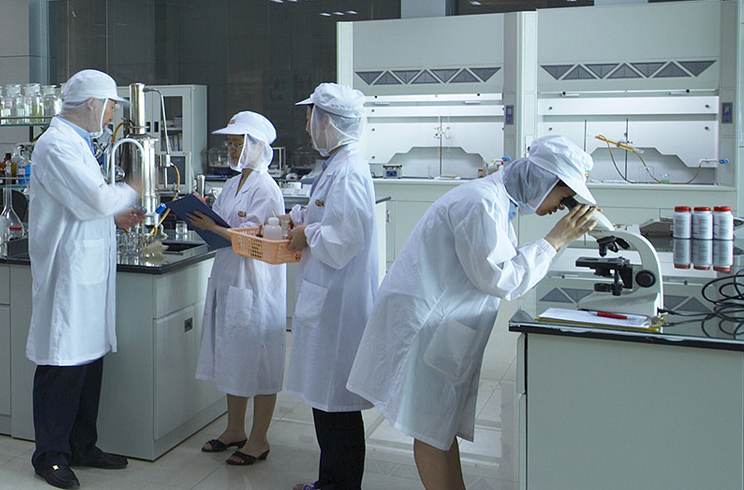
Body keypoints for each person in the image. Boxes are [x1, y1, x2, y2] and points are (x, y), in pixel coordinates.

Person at [348, 135, 600, 490]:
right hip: (427, 324)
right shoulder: (480, 202)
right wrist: (554, 240)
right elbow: (500, 279)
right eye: (564, 197)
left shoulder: (496, 201)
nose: (562, 207)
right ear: (544, 181)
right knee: (430, 429)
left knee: (440, 426)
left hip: (442, 322)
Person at [25, 69, 147, 490]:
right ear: (93, 103)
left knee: (89, 363)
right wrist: (133, 187)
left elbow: (82, 206)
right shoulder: (55, 145)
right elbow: (93, 198)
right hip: (68, 274)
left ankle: (82, 445)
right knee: (62, 363)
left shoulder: (78, 143)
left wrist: (113, 218)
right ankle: (50, 455)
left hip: (87, 271)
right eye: (111, 106)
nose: (112, 115)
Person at [285, 83, 381, 490]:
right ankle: (330, 482)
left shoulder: (348, 171)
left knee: (337, 407)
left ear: (329, 123)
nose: (308, 127)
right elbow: (330, 218)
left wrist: (306, 233)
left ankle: (339, 485)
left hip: (339, 305)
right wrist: (301, 219)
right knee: (327, 404)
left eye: (311, 119)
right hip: (328, 299)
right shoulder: (338, 166)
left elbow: (345, 239)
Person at [181, 111, 287, 467]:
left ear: (258, 146)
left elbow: (259, 241)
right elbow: (226, 224)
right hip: (229, 276)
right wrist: (205, 215)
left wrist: (214, 226)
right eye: (229, 142)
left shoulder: (266, 189)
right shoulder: (232, 183)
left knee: (260, 360)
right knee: (233, 355)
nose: (231, 149)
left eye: (238, 143)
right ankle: (234, 430)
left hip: (255, 282)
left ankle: (259, 439)